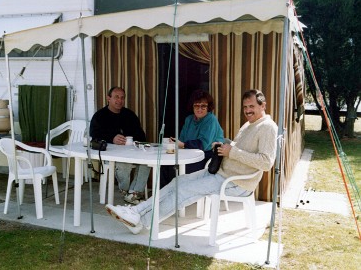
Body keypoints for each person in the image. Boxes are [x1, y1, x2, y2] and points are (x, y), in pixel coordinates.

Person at [105, 89, 278, 234]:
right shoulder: (249, 125)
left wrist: (232, 151)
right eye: (245, 107)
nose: (248, 110)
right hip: (219, 172)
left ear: (263, 105)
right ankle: (136, 211)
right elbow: (241, 149)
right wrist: (227, 145)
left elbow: (266, 162)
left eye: (252, 106)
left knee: (184, 191)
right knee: (177, 181)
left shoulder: (267, 127)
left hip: (237, 182)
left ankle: (141, 220)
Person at [90, 86, 151, 205]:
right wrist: (112, 138)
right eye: (116, 97)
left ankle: (134, 193)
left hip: (131, 151)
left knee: (148, 161)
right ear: (108, 98)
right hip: (112, 154)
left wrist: (133, 141)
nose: (119, 100)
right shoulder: (100, 116)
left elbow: (141, 135)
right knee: (124, 165)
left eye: (122, 98)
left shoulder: (129, 115)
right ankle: (127, 191)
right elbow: (94, 134)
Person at [160, 89, 224, 188]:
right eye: (196, 105)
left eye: (203, 106)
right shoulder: (189, 119)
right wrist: (175, 143)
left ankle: (175, 196)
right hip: (187, 155)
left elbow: (203, 144)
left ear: (208, 107)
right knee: (164, 165)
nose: (199, 109)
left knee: (175, 169)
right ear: (192, 106)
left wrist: (183, 145)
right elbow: (182, 139)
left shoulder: (211, 120)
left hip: (204, 157)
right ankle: (163, 196)